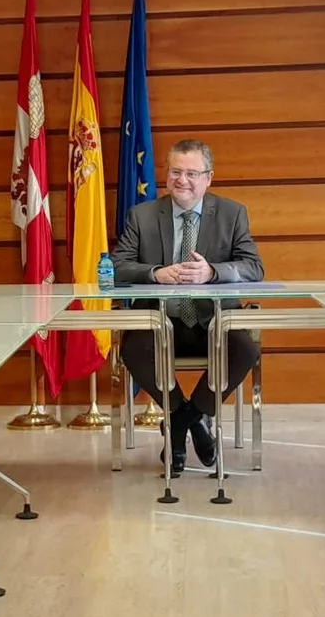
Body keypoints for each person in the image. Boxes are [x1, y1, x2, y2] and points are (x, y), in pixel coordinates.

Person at [111, 138, 265, 474]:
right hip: (160, 321)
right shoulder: (142, 215)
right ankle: (192, 421)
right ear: (167, 174)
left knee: (245, 348)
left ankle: (182, 421)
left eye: (192, 173)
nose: (183, 180)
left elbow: (254, 267)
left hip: (213, 322)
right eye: (176, 172)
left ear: (209, 178)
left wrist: (213, 272)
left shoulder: (232, 213)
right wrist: (154, 273)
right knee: (133, 348)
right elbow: (117, 265)